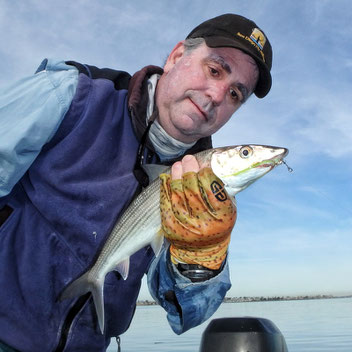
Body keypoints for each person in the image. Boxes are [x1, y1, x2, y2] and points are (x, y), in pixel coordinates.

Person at [0, 13, 272, 352]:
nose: (217, 94)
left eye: (235, 94)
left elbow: (185, 313)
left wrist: (202, 256)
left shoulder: (202, 195)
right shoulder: (68, 95)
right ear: (176, 57)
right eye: (214, 69)